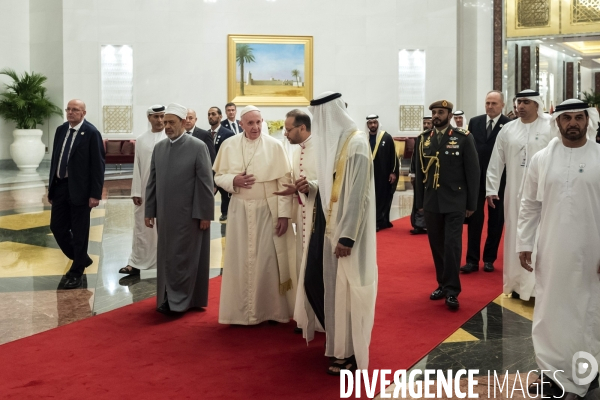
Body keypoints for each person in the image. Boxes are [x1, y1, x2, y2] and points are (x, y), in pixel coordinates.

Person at [517, 99, 600, 399]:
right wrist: (525, 242)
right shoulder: (542, 158)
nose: (574, 123)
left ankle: (587, 373)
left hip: (591, 252)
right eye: (567, 119)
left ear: (588, 121)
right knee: (549, 311)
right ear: (558, 122)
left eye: (579, 117)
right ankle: (550, 372)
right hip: (551, 249)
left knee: (587, 312)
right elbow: (529, 204)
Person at [302, 91, 377, 375]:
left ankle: (350, 353)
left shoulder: (356, 144)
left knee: (348, 291)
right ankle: (340, 346)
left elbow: (358, 195)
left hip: (348, 235)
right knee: (331, 289)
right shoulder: (338, 144)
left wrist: (347, 237)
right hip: (332, 229)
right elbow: (331, 185)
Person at [213, 105, 296, 325]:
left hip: (267, 211)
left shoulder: (275, 146)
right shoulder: (229, 145)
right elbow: (218, 176)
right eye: (250, 123)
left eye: (258, 122)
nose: (255, 127)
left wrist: (284, 216)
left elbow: (284, 182)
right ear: (241, 124)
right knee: (239, 260)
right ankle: (240, 313)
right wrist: (233, 180)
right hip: (239, 210)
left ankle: (269, 312)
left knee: (267, 261)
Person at [144, 103, 214, 314]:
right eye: (165, 122)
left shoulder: (198, 146)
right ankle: (167, 297)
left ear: (183, 123)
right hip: (165, 217)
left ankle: (181, 301)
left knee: (184, 258)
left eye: (171, 122)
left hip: (190, 216)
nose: (167, 126)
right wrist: (149, 211)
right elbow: (152, 182)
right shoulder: (160, 148)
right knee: (167, 257)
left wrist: (204, 214)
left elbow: (205, 183)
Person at [486, 89, 552, 300]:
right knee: (515, 235)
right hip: (514, 193)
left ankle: (537, 288)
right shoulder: (508, 129)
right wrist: (491, 188)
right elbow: (497, 160)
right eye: (518, 102)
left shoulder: (550, 126)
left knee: (540, 237)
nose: (520, 106)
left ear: (536, 104)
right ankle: (515, 285)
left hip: (544, 194)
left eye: (525, 102)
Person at [414, 100, 479, 310]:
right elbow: (419, 174)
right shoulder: (423, 140)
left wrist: (471, 204)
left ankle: (452, 291)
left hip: (455, 201)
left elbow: (473, 173)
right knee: (437, 246)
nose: (436, 116)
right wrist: (419, 203)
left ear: (450, 115)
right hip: (432, 202)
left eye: (441, 112)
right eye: (434, 112)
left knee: (452, 246)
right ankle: (441, 284)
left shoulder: (463, 138)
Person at [48, 99, 105, 289]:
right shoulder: (61, 130)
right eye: (69, 109)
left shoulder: (91, 133)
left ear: (83, 113)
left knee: (80, 232)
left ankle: (76, 271)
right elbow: (55, 160)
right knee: (57, 227)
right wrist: (51, 187)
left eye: (75, 110)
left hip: (81, 190)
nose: (71, 112)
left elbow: (98, 166)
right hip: (60, 187)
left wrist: (95, 194)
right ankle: (81, 258)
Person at [276, 109, 320, 335]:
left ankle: (321, 321)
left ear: (302, 128)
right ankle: (305, 318)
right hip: (302, 218)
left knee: (316, 268)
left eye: (288, 129)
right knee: (303, 266)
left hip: (318, 219)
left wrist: (309, 186)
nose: (285, 134)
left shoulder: (322, 148)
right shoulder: (296, 151)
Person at [461, 91, 511, 273]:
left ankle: (489, 259)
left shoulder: (509, 124)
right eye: (487, 103)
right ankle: (472, 260)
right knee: (474, 219)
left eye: (494, 103)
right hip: (477, 179)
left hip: (499, 180)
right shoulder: (475, 122)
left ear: (502, 105)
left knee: (496, 220)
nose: (490, 106)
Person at [119, 105, 166, 276]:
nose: (159, 120)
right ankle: (136, 262)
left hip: (166, 190)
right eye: (156, 117)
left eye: (162, 116)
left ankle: (163, 262)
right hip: (146, 191)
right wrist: (136, 191)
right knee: (142, 226)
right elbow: (137, 167)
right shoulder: (141, 139)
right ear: (149, 118)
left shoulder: (170, 137)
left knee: (164, 227)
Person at [366, 114, 398, 231]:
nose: (373, 125)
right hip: (369, 174)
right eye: (370, 123)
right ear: (367, 125)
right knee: (371, 198)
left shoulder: (386, 137)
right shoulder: (364, 138)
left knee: (382, 197)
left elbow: (393, 156)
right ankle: (374, 220)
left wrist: (393, 172)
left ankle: (381, 220)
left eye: (375, 122)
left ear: (378, 123)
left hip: (383, 175)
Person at [207, 106, 235, 221]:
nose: (211, 116)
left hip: (222, 169)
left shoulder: (228, 133)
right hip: (208, 169)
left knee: (225, 194)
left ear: (220, 116)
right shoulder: (206, 134)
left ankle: (226, 213)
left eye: (213, 114)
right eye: (209, 114)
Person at [409, 116, 432, 234]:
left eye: (429, 123)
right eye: (425, 123)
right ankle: (418, 224)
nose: (426, 125)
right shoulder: (420, 138)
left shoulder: (434, 138)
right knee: (419, 199)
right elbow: (414, 157)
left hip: (432, 175)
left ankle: (429, 225)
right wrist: (412, 173)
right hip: (420, 175)